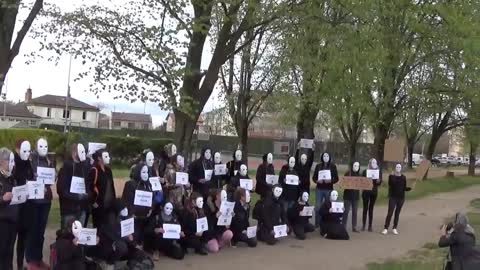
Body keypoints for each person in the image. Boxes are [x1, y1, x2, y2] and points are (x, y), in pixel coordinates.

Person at [94, 199, 154, 269]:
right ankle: (110, 263)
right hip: (111, 244)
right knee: (122, 247)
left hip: (126, 243)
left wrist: (133, 242)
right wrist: (131, 241)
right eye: (123, 208)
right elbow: (115, 234)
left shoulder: (124, 217)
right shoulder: (110, 218)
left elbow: (131, 232)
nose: (126, 210)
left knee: (140, 254)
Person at [27, 138, 54, 270]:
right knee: (33, 230)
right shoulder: (31, 160)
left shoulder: (49, 161)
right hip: (34, 201)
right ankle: (30, 260)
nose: (44, 148)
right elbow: (28, 178)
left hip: (46, 201)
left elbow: (51, 179)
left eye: (46, 146)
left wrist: (53, 178)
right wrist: (37, 184)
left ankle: (38, 259)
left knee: (41, 232)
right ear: (36, 147)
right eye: (41, 146)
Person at [57, 143, 92, 228]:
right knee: (67, 235)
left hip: (82, 208)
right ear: (74, 153)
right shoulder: (65, 168)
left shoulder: (84, 168)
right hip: (69, 209)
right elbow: (61, 190)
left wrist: (87, 195)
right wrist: (76, 196)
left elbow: (88, 185)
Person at [13, 139, 33, 270]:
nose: (27, 153)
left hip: (26, 205)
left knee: (23, 237)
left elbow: (30, 177)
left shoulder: (27, 162)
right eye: (24, 150)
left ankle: (20, 264)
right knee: (9, 239)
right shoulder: (13, 161)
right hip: (14, 206)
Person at [122, 163, 154, 245]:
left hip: (145, 217)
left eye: (147, 172)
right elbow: (127, 201)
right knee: (134, 239)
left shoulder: (148, 185)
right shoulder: (130, 184)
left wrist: (150, 209)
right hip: (134, 217)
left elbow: (151, 199)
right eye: (143, 172)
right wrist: (132, 214)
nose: (146, 175)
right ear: (138, 172)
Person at [0, 148, 18, 270]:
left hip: (13, 220)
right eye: (10, 161)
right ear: (2, 161)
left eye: (13, 161)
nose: (12, 164)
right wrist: (2, 198)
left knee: (10, 251)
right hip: (2, 221)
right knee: (2, 251)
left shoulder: (12, 177)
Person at [89, 149, 116, 228]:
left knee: (108, 226)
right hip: (99, 204)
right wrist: (93, 202)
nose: (108, 158)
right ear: (99, 158)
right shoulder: (95, 170)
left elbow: (111, 185)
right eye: (106, 156)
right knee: (98, 226)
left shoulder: (108, 170)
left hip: (109, 203)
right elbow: (90, 186)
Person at [382, 164, 411, 235]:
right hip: (393, 197)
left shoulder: (403, 177)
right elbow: (391, 184)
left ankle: (394, 228)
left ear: (401, 169)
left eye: (399, 167)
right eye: (397, 167)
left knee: (397, 213)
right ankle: (386, 228)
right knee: (390, 212)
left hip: (401, 198)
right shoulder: (391, 176)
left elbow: (404, 187)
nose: (398, 168)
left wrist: (409, 188)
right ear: (395, 168)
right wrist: (392, 175)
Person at [361, 158, 382, 232]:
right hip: (366, 192)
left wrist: (378, 181)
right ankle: (363, 225)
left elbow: (379, 183)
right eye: (372, 162)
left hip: (374, 192)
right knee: (365, 208)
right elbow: (362, 181)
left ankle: (370, 226)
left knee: (371, 209)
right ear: (369, 163)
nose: (373, 164)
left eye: (375, 162)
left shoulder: (378, 172)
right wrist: (367, 179)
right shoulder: (365, 171)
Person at [343, 162, 361, 233]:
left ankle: (354, 226)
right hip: (347, 196)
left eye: (357, 166)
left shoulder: (359, 175)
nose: (356, 167)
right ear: (352, 166)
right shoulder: (348, 173)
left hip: (356, 196)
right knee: (346, 211)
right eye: (355, 165)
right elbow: (343, 183)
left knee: (355, 211)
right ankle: (343, 226)